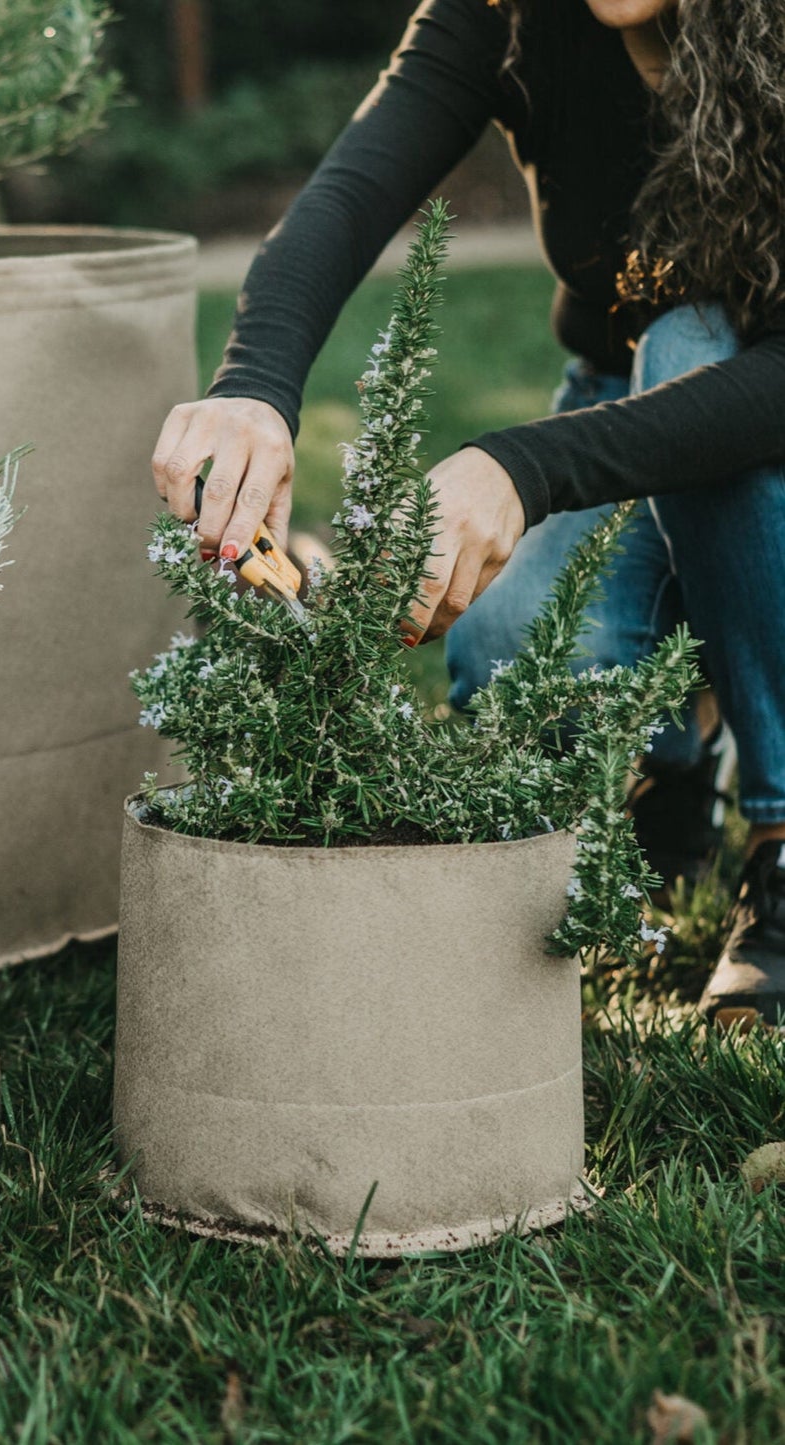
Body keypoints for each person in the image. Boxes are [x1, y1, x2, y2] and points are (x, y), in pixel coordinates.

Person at [150, 0, 785, 1023]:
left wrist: (518, 468)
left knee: (694, 338)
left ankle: (777, 828)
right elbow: (350, 193)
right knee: (504, 640)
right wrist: (252, 384)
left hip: (765, 412)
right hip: (613, 399)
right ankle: (673, 747)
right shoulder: (505, 14)